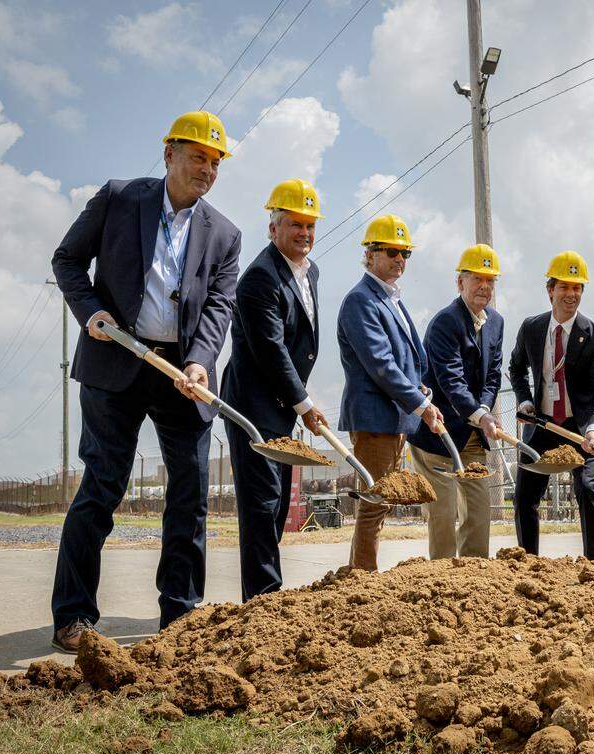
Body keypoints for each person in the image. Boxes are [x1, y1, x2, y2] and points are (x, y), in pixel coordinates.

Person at [50, 111, 240, 651]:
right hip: (116, 361)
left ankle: (179, 618)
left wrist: (201, 360)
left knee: (189, 493)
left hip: (182, 374)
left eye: (215, 161)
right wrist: (90, 313)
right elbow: (68, 261)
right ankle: (73, 616)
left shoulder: (224, 233)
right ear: (170, 154)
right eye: (198, 156)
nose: (206, 168)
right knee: (102, 487)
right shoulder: (119, 198)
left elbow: (219, 306)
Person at [220, 179, 329, 601]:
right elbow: (271, 348)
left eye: (310, 225)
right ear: (273, 229)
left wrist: (297, 401)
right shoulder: (258, 279)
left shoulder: (309, 271)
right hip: (253, 403)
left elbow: (299, 341)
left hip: (283, 404)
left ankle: (267, 591)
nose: (304, 233)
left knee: (279, 502)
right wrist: (305, 403)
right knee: (261, 503)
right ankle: (263, 598)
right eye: (295, 224)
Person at [337, 214, 444, 570]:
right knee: (375, 503)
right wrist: (420, 405)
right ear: (369, 255)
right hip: (374, 418)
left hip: (392, 418)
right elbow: (381, 365)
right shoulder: (361, 301)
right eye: (392, 251)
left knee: (379, 502)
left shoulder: (390, 297)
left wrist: (421, 387)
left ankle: (360, 575)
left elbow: (403, 358)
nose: (400, 259)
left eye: (405, 254)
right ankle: (362, 581)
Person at [509, 251, 594, 560]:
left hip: (579, 427)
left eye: (577, 287)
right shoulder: (532, 328)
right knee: (525, 496)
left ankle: (593, 566)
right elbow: (515, 368)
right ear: (550, 290)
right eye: (564, 287)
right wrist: (525, 400)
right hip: (542, 425)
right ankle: (527, 563)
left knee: (589, 490)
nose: (571, 295)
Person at [407, 245, 505, 559]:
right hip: (438, 433)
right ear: (459, 283)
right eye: (477, 278)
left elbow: (493, 375)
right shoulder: (444, 323)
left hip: (473, 432)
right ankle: (442, 583)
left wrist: (485, 411)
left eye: (490, 280)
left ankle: (474, 580)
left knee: (478, 513)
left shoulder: (496, 322)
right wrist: (481, 415)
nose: (484, 287)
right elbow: (451, 381)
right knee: (443, 514)